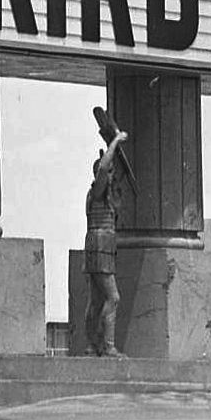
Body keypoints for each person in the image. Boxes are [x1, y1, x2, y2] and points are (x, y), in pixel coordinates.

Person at [84, 105, 133, 357]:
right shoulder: (98, 188)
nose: (112, 175)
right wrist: (114, 141)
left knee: (96, 300)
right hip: (100, 246)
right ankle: (107, 346)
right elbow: (104, 168)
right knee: (113, 298)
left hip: (100, 246)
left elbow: (115, 173)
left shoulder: (103, 195)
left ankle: (92, 345)